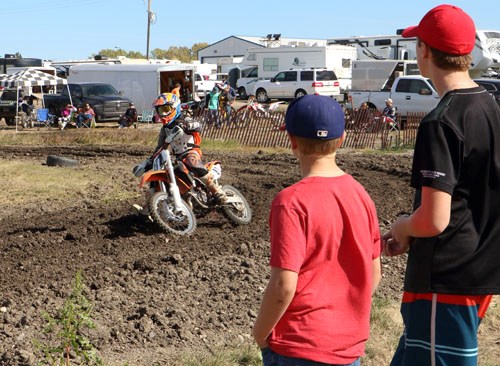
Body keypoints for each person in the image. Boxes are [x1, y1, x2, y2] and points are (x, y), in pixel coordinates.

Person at [383, 5, 500, 366]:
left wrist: (402, 227)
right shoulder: (490, 107)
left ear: (424, 51)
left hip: (446, 279)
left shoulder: (441, 121)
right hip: (481, 269)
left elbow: (434, 220)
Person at [253, 95, 382, 366]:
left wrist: (260, 333)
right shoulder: (361, 195)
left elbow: (283, 285)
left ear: (292, 142)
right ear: (342, 139)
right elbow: (374, 274)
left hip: (298, 346)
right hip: (348, 348)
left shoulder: (290, 202)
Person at [133, 93, 227, 215]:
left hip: (190, 151)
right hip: (177, 158)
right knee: (163, 174)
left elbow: (199, 126)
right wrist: (146, 164)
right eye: (160, 110)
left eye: (166, 109)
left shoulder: (183, 120)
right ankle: (151, 207)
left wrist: (188, 125)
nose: (162, 114)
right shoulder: (164, 130)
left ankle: (217, 191)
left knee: (190, 162)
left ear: (175, 107)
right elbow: (159, 148)